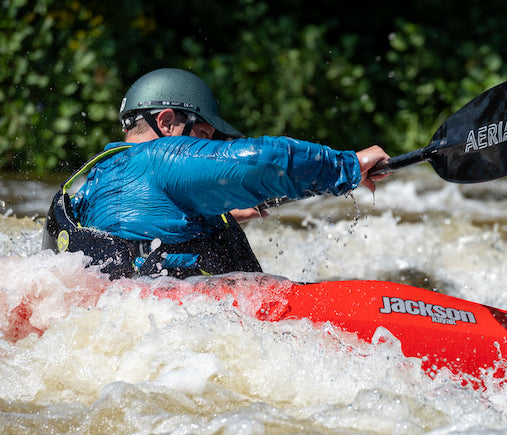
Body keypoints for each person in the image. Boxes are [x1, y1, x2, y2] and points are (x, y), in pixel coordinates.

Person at [42, 68, 390, 279]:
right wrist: (345, 166)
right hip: (186, 325)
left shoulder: (93, 181)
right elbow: (265, 161)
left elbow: (135, 230)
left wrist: (205, 211)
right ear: (165, 122)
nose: (206, 148)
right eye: (205, 136)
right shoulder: (163, 157)